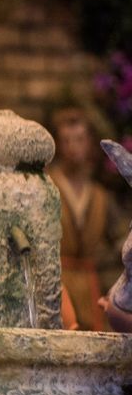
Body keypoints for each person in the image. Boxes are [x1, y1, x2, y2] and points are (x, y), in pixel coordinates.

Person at [46, 108, 124, 331]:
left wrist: (104, 258)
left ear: (89, 142)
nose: (73, 148)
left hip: (92, 287)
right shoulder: (48, 186)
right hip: (57, 287)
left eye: (79, 139)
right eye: (67, 140)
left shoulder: (100, 196)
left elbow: (120, 240)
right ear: (58, 144)